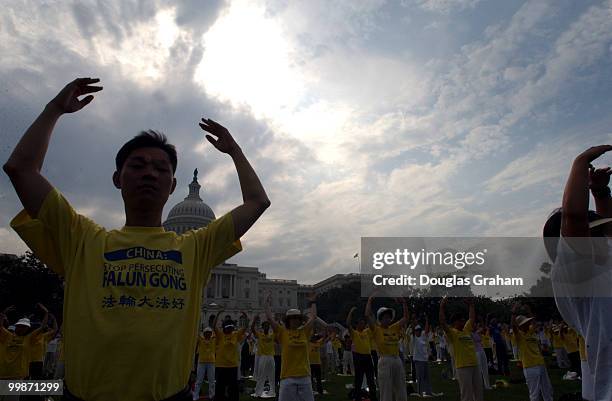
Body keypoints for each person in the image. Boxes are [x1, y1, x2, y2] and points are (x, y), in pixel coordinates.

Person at [4, 77, 270, 401]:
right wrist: (53, 110)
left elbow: (257, 202)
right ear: (117, 178)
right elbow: (20, 168)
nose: (150, 173)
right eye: (138, 165)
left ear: (173, 187)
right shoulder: (83, 239)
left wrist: (235, 151)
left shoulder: (194, 248)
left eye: (161, 168)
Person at [544, 144, 612, 400]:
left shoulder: (603, 263)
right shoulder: (575, 276)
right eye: (592, 234)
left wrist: (601, 192)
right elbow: (574, 218)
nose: (603, 238)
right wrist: (581, 162)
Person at [265, 292, 317, 401]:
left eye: (297, 318)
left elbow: (313, 317)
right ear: (288, 321)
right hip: (288, 377)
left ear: (300, 320)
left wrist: (312, 302)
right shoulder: (282, 332)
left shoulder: (304, 331)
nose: (295, 320)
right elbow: (270, 319)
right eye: (292, 318)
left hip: (304, 376)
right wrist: (267, 303)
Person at [365, 296, 409, 401]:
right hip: (385, 360)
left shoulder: (394, 327)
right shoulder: (376, 330)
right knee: (386, 391)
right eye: (385, 317)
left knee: (401, 389)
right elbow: (367, 315)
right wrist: (370, 300)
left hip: (396, 359)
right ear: (380, 319)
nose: (387, 318)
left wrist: (404, 303)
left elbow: (406, 318)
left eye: (389, 316)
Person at [439, 297, 483, 401]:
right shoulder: (452, 333)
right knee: (467, 395)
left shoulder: (466, 330)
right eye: (460, 320)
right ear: (454, 322)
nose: (463, 321)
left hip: (475, 365)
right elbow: (442, 323)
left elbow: (471, 318)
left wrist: (471, 305)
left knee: (479, 393)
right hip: (463, 367)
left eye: (463, 319)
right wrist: (441, 307)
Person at [510, 303, 553, 401]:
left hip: (540, 364)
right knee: (534, 394)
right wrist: (513, 312)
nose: (528, 323)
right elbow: (513, 326)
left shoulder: (531, 331)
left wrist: (529, 312)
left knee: (547, 390)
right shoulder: (518, 336)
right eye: (526, 322)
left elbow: (534, 322)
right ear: (521, 325)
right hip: (530, 367)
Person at [0, 304, 49, 382]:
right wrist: (3, 314)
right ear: (16, 326)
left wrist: (46, 313)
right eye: (20, 326)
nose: (22, 329)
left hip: (18, 375)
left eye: (25, 327)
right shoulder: (7, 336)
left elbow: (42, 327)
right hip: (4, 373)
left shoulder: (28, 338)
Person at [213, 311, 248, 401]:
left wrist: (245, 316)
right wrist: (217, 315)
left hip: (232, 366)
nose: (230, 329)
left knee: (233, 387)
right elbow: (214, 327)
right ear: (224, 328)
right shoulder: (220, 335)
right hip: (221, 365)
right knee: (220, 386)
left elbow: (245, 327)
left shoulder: (235, 335)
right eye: (228, 327)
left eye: (231, 327)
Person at [346, 307, 377, 401]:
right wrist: (350, 313)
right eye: (361, 323)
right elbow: (348, 324)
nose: (363, 325)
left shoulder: (367, 332)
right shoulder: (354, 333)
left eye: (364, 323)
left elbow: (373, 324)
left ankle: (373, 397)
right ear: (357, 325)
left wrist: (371, 314)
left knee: (371, 379)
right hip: (358, 357)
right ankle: (358, 397)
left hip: (367, 357)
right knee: (358, 379)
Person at [411, 318, 437, 397]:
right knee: (420, 377)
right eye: (417, 330)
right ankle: (420, 393)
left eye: (419, 330)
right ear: (415, 331)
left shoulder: (423, 337)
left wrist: (426, 320)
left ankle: (429, 392)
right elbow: (412, 329)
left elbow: (426, 330)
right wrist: (413, 322)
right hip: (418, 360)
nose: (418, 331)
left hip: (424, 360)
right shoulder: (414, 338)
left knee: (427, 377)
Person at [251, 316, 276, 398]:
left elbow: (277, 329)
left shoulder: (272, 335)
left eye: (267, 326)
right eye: (265, 326)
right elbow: (252, 329)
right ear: (262, 327)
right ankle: (258, 392)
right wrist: (254, 320)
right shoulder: (260, 335)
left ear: (269, 327)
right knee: (261, 375)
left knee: (272, 375)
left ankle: (272, 391)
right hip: (263, 357)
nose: (266, 327)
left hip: (271, 357)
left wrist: (271, 321)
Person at [193, 327, 216, 401]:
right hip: (201, 362)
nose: (208, 334)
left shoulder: (213, 340)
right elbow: (195, 332)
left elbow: (216, 331)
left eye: (209, 332)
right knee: (199, 380)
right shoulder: (200, 340)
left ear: (211, 334)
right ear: (204, 334)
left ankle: (212, 395)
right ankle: (195, 396)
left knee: (211, 380)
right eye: (206, 333)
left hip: (211, 362)